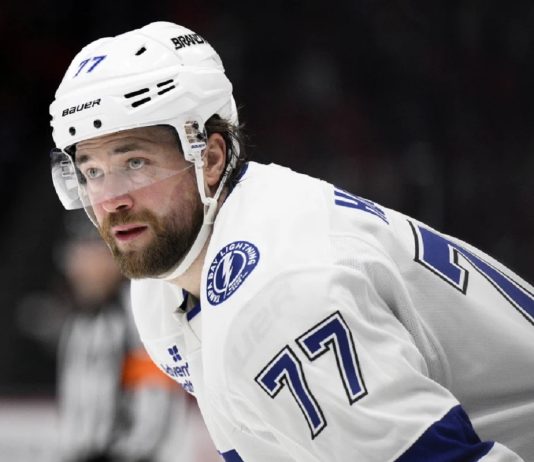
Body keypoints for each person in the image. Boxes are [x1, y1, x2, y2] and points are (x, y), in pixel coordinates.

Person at [48, 21, 534, 461]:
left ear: (212, 159)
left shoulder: (280, 295)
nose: (109, 199)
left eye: (135, 163)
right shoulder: (166, 287)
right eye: (91, 171)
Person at [54, 211, 194, 462]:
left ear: (112, 255)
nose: (76, 267)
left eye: (87, 254)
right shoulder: (80, 320)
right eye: (74, 255)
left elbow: (154, 414)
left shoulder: (140, 314)